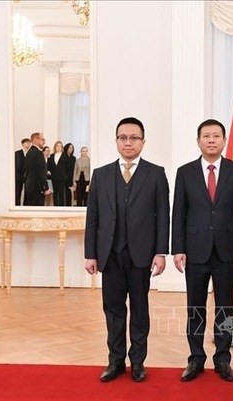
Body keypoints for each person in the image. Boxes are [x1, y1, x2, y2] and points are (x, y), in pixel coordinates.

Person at [84, 117, 170, 383]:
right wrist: (91, 253)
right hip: (109, 254)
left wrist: (160, 252)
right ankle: (115, 360)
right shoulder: (101, 174)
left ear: (143, 141)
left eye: (134, 138)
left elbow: (162, 216)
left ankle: (138, 362)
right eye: (123, 137)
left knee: (140, 310)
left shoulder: (156, 173)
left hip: (142, 254)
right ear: (116, 141)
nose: (128, 142)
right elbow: (93, 217)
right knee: (113, 309)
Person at [172, 119, 233, 383]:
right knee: (195, 306)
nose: (211, 140)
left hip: (228, 250)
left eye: (216, 136)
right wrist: (178, 249)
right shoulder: (185, 172)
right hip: (194, 250)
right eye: (206, 136)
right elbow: (178, 213)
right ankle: (195, 358)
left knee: (224, 308)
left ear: (224, 140)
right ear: (198, 141)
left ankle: (223, 358)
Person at [23, 132, 51, 206]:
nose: (44, 142)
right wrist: (46, 187)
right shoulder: (38, 153)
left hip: (29, 186)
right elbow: (41, 172)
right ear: (36, 139)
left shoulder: (29, 152)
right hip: (37, 188)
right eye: (43, 139)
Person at [47, 141, 67, 206]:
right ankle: (55, 206)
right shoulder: (51, 156)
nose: (58, 147)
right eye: (57, 146)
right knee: (55, 193)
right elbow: (49, 166)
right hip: (53, 177)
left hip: (62, 177)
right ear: (55, 147)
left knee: (61, 193)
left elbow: (67, 168)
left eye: (60, 146)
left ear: (62, 148)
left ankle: (62, 207)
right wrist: (48, 171)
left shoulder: (65, 155)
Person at [14, 138, 31, 206]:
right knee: (18, 192)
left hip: (28, 176)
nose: (28, 144)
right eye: (26, 143)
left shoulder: (31, 153)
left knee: (27, 193)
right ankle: (17, 205)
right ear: (23, 144)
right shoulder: (17, 153)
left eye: (29, 143)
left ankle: (25, 206)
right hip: (19, 176)